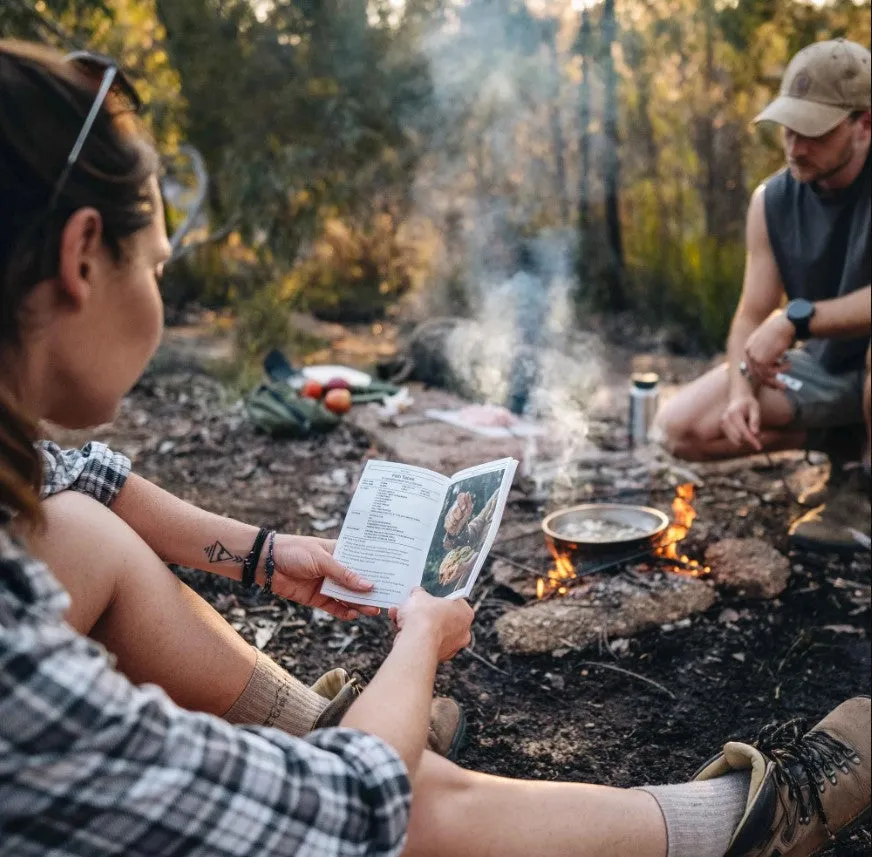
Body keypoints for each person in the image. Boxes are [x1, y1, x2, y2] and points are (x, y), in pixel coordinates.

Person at [1, 39, 870, 857]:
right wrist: (418, 641)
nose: (158, 285)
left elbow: (78, 476)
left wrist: (268, 556)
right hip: (346, 801)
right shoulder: (24, 681)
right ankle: (740, 823)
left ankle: (316, 719)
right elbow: (348, 810)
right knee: (411, 801)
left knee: (74, 525)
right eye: (155, 264)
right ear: (82, 256)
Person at [654, 39, 871, 554]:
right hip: (826, 370)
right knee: (679, 429)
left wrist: (796, 320)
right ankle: (849, 450)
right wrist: (739, 394)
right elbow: (752, 312)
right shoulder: (771, 200)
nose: (795, 146)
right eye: (788, 128)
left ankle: (865, 491)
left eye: (814, 132)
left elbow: (782, 319)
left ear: (864, 124)